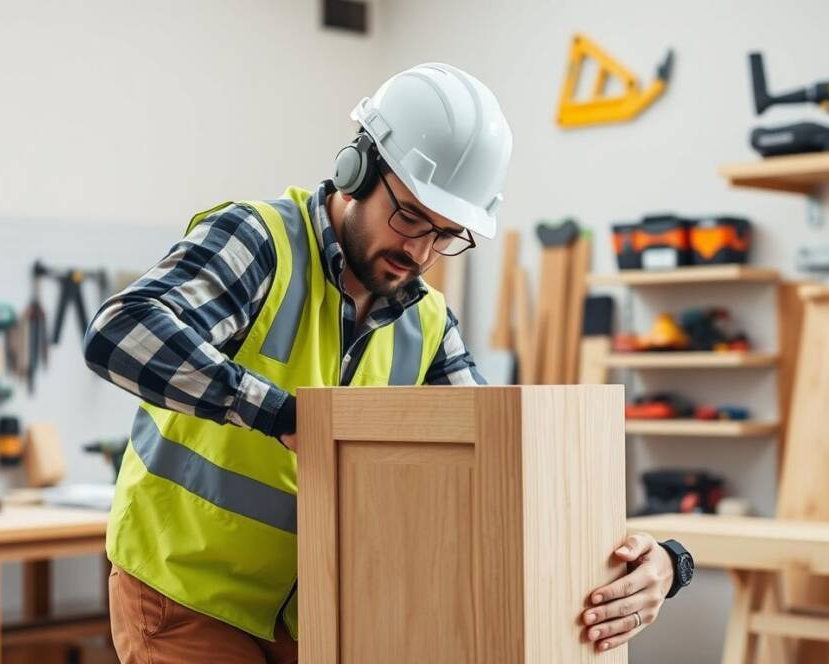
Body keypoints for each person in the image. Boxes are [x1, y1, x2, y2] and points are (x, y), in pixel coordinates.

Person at [83, 62, 692, 663]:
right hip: (185, 594)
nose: (420, 251)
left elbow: (507, 469)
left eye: (446, 233)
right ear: (356, 169)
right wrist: (285, 415)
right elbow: (121, 331)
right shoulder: (261, 241)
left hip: (313, 609)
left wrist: (661, 561)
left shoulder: (424, 320)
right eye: (409, 217)